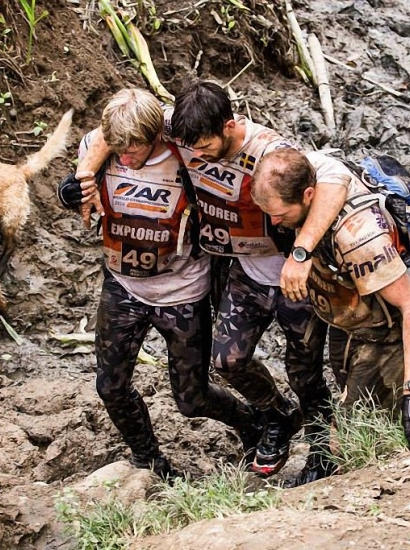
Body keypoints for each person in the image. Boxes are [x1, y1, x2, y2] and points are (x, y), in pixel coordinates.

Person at [74, 81, 349, 480]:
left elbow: (335, 175)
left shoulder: (271, 153)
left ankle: (323, 452)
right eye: (190, 149)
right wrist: (83, 174)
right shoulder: (178, 129)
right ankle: (274, 415)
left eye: (203, 148)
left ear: (228, 127)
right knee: (228, 361)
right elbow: (114, 130)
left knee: (304, 372)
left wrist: (302, 252)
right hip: (243, 271)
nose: (195, 156)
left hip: (291, 275)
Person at [57, 88, 263, 478]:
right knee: (110, 387)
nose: (126, 159)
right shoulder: (100, 147)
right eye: (118, 151)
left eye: (133, 151)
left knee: (192, 398)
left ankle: (251, 424)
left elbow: (230, 147)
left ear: (155, 136)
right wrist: (74, 186)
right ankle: (148, 459)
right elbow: (95, 152)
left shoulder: (187, 151)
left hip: (183, 291)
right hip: (123, 286)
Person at [251, 148, 410, 483]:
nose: (274, 222)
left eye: (279, 214)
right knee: (360, 405)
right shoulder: (312, 173)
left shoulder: (360, 238)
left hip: (385, 331)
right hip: (349, 320)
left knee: (352, 426)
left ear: (308, 195)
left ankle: (403, 478)